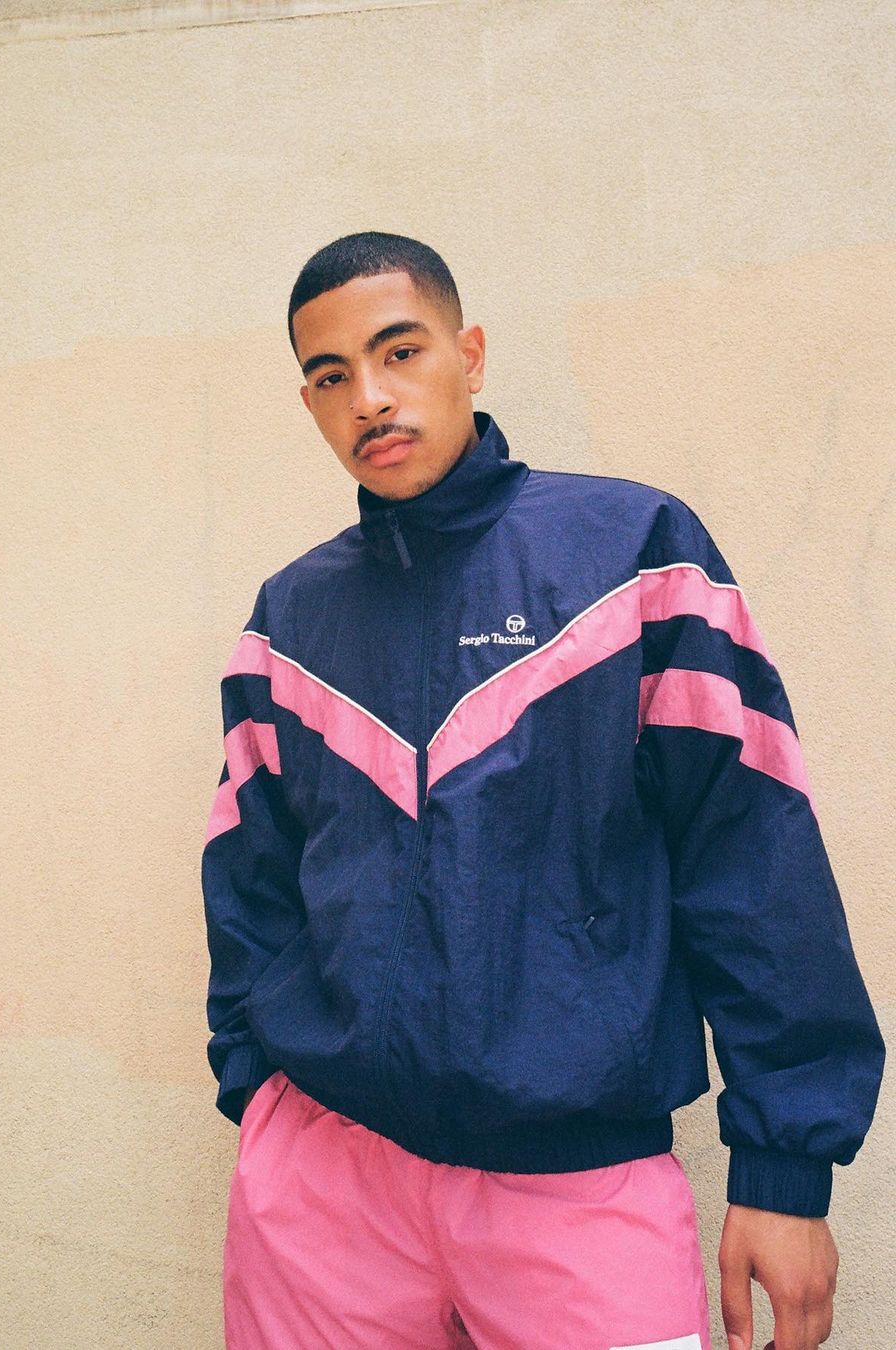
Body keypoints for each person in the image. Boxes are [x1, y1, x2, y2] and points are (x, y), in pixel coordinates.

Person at [201, 231, 884, 1350]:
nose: (370, 398)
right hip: (323, 1183)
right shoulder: (289, 621)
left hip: (577, 1183)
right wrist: (256, 1087)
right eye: (331, 376)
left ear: (468, 354)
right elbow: (249, 877)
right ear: (310, 402)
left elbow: (751, 851)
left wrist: (786, 1166)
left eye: (400, 351)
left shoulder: (634, 555)